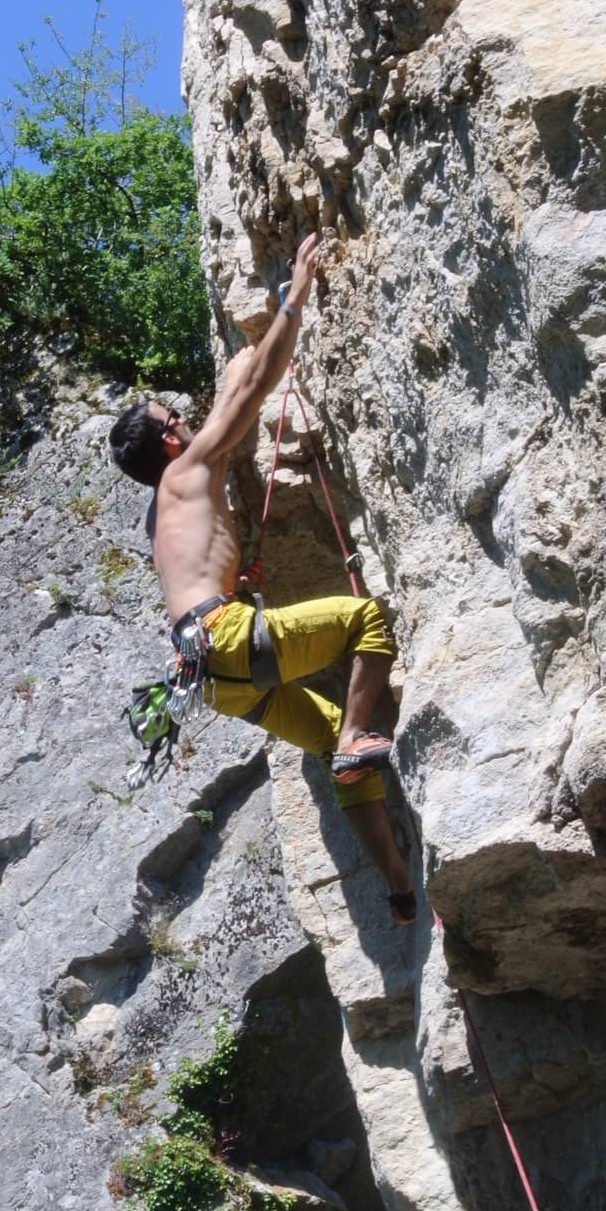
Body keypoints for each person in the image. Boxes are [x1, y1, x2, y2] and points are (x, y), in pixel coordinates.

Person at [109, 234, 416, 924]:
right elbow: (250, 390)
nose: (188, 421)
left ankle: (398, 890)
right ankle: (356, 740)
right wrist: (294, 299)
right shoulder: (190, 469)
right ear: (169, 440)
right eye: (176, 419)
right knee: (364, 621)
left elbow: (231, 394)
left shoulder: (160, 513)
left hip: (210, 678)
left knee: (329, 740)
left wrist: (238, 585)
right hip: (223, 639)